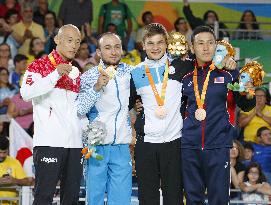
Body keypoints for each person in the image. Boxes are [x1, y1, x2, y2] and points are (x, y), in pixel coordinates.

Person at [181, 25, 255, 205]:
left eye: (210, 43)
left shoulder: (230, 73)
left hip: (219, 146)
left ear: (216, 46)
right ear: (192, 48)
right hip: (189, 147)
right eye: (200, 43)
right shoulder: (184, 75)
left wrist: (248, 90)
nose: (205, 47)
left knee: (220, 200)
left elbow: (246, 105)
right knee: (192, 199)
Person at [20, 24, 83, 205]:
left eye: (77, 42)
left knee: (71, 199)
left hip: (75, 144)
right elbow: (26, 93)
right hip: (49, 142)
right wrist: (54, 74)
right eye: (69, 40)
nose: (74, 46)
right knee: (43, 197)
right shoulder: (39, 65)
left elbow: (76, 109)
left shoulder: (76, 72)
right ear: (57, 40)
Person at [0, 136, 33, 205]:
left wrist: (15, 180)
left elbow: (27, 182)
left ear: (8, 149)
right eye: (0, 152)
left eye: (4, 152)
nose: (2, 155)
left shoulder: (14, 162)